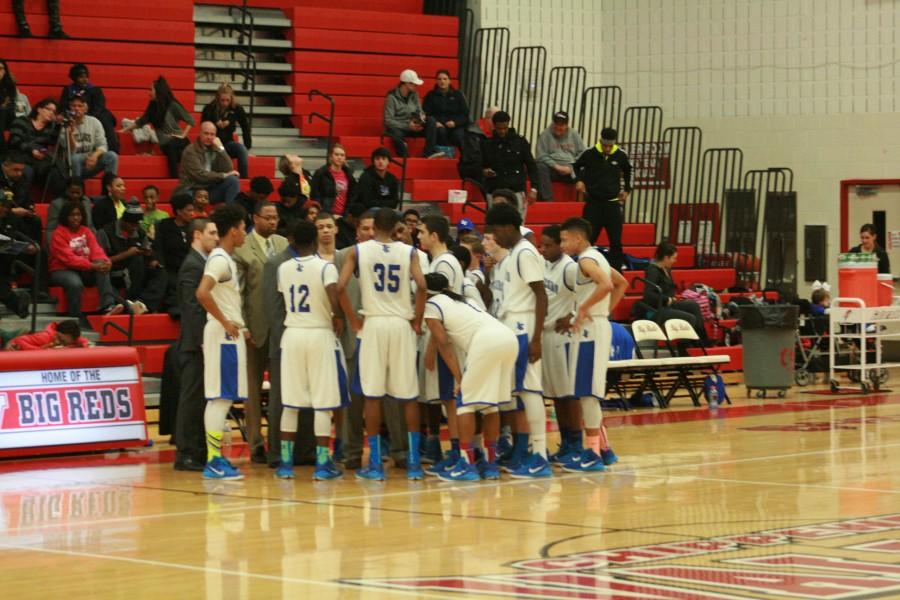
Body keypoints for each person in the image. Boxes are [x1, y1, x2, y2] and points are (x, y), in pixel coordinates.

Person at [337, 208, 427, 481]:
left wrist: (353, 319)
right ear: (398, 227)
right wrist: (417, 320)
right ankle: (413, 460)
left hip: (373, 324)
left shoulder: (358, 251)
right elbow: (422, 286)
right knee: (407, 394)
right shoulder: (408, 252)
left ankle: (375, 462)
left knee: (373, 394)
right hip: (401, 324)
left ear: (374, 226)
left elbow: (340, 287)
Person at [423, 272, 517, 481]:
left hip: (486, 342)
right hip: (507, 338)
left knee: (465, 403)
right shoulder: (460, 300)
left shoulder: (431, 305)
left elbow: (445, 344)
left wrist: (459, 378)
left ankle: (467, 463)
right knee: (490, 405)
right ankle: (490, 464)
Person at [274, 220, 349, 480]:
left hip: (292, 334)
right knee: (323, 403)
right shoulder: (325, 267)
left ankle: (285, 463)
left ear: (292, 240)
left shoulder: (283, 268)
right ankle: (322, 463)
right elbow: (333, 293)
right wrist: (337, 316)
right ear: (315, 239)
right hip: (318, 334)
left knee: (291, 403)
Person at [484, 202, 550, 478]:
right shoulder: (511, 255)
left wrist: (536, 339)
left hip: (524, 327)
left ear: (509, 228)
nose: (494, 237)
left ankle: (540, 455)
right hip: (511, 327)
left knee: (531, 391)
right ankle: (528, 451)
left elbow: (541, 294)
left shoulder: (525, 253)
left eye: (496, 231)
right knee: (521, 393)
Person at [559, 217, 627, 471]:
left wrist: (586, 308)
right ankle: (603, 450)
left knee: (587, 394)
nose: (563, 244)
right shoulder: (599, 256)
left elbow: (608, 284)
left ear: (578, 238)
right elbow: (622, 283)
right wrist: (604, 312)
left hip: (590, 330)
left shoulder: (587, 259)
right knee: (589, 393)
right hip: (597, 325)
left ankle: (592, 453)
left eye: (565, 239)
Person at [233, 201, 288, 463]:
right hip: (254, 328)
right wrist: (243, 325)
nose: (272, 222)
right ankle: (255, 443)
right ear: (255, 218)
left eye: (275, 217)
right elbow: (239, 292)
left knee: (280, 388)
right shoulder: (242, 247)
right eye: (267, 217)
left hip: (282, 329)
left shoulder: (283, 243)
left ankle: (279, 442)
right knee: (252, 390)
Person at [196, 204, 248, 480]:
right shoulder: (219, 259)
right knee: (220, 397)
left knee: (222, 397)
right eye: (242, 228)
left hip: (226, 332)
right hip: (222, 333)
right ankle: (214, 459)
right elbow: (202, 293)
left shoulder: (224, 258)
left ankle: (215, 458)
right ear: (233, 230)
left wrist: (239, 323)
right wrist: (226, 321)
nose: (245, 234)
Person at [416, 215, 465, 476]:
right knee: (447, 398)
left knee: (451, 399)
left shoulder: (444, 263)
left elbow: (442, 313)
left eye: (422, 232)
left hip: (446, 337)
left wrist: (432, 348)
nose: (418, 236)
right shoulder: (442, 261)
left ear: (434, 235)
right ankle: (455, 450)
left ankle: (458, 452)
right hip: (444, 335)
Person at [173, 218, 219, 472]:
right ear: (197, 235)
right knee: (191, 400)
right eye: (212, 233)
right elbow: (192, 309)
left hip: (200, 342)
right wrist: (204, 341)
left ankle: (198, 451)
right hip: (195, 344)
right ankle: (186, 453)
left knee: (201, 399)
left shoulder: (203, 262)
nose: (216, 237)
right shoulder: (193, 265)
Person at [538, 225, 581, 464]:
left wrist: (574, 316)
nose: (543, 249)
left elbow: (591, 293)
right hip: (546, 334)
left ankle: (576, 443)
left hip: (563, 335)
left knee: (569, 394)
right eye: (541, 245)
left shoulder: (570, 268)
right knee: (555, 395)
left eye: (549, 245)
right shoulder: (543, 265)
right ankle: (566, 443)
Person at [48, 201, 124, 323]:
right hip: (62, 269)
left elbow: (96, 250)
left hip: (85, 268)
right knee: (75, 283)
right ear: (65, 216)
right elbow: (68, 259)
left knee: (102, 266)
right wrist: (92, 266)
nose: (76, 218)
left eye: (78, 214)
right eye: (72, 215)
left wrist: (105, 261)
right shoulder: (58, 233)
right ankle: (75, 316)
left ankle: (107, 305)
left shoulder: (86, 231)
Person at [574, 127, 632, 271]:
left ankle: (616, 273)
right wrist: (579, 180)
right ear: (600, 141)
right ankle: (582, 270)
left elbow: (628, 172)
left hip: (612, 205)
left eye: (610, 146)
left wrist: (627, 190)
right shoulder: (589, 153)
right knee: (588, 240)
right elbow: (576, 166)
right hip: (593, 203)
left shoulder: (621, 155)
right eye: (605, 145)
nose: (607, 148)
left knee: (616, 241)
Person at [96, 203, 168, 315]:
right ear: (123, 221)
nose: (135, 227)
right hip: (114, 272)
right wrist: (126, 254)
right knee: (136, 259)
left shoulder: (139, 231)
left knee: (160, 273)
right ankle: (125, 304)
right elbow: (101, 263)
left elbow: (148, 250)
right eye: (132, 224)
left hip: (136, 271)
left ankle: (142, 303)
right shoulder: (105, 232)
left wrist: (151, 258)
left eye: (137, 224)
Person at [120, 77, 194, 178]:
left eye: (151, 89)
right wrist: (124, 130)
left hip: (180, 142)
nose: (149, 92)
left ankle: (174, 178)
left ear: (158, 91)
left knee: (173, 147)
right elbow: (141, 121)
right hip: (166, 145)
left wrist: (183, 135)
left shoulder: (172, 105)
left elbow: (190, 120)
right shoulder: (153, 106)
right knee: (172, 149)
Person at [637, 241, 708, 341]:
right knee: (691, 318)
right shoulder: (652, 271)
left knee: (694, 305)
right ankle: (683, 348)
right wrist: (667, 299)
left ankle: (703, 341)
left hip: (670, 305)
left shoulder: (667, 269)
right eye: (674, 258)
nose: (675, 260)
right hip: (656, 309)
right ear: (666, 257)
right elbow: (648, 295)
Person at [481, 111, 538, 213]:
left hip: (516, 188)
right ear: (494, 126)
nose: (502, 131)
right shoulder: (487, 143)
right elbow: (480, 164)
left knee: (518, 224)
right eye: (499, 128)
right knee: (495, 223)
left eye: (505, 128)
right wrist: (484, 171)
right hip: (495, 189)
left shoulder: (520, 142)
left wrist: (534, 188)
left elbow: (531, 165)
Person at [174, 122, 240, 206]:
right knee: (186, 198)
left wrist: (221, 149)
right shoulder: (190, 150)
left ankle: (231, 215)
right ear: (200, 133)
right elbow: (200, 175)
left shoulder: (215, 148)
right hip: (192, 189)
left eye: (212, 134)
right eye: (206, 133)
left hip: (210, 189)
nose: (209, 137)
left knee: (233, 181)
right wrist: (223, 175)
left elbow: (229, 168)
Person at [59, 64, 118, 154]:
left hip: (94, 114)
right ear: (74, 78)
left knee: (105, 118)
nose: (85, 79)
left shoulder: (95, 90)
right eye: (81, 77)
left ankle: (112, 149)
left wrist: (87, 116)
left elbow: (100, 106)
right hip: (74, 115)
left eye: (86, 76)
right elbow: (63, 106)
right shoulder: (68, 90)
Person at [8, 97, 61, 193]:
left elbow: (54, 143)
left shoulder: (51, 129)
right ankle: (22, 203)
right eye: (48, 109)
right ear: (39, 109)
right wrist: (31, 150)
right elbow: (15, 140)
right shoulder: (22, 121)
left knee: (56, 170)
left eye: (54, 111)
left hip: (37, 159)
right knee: (27, 171)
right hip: (19, 155)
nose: (51, 113)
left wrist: (58, 126)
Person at [383, 69, 439, 158]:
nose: (416, 86)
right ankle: (405, 157)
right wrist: (407, 126)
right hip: (400, 127)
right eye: (415, 84)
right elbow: (388, 121)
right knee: (396, 133)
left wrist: (420, 119)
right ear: (407, 84)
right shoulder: (391, 97)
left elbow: (420, 111)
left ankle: (429, 152)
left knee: (431, 120)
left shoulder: (415, 94)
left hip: (413, 125)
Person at [61, 95, 119, 180]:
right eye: (73, 106)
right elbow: (72, 151)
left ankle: (108, 187)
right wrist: (70, 134)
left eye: (80, 106)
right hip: (72, 162)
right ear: (69, 108)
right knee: (75, 158)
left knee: (112, 156)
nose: (77, 108)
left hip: (91, 157)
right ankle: (77, 188)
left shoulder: (94, 122)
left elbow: (103, 145)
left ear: (85, 108)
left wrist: (94, 156)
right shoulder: (65, 124)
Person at [155, 193, 195, 315]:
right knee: (169, 281)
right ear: (178, 211)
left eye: (193, 210)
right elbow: (159, 248)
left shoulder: (194, 227)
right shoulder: (164, 226)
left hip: (190, 268)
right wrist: (161, 265)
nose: (192, 213)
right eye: (189, 210)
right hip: (170, 268)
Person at [201, 84, 252, 178]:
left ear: (231, 99)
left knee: (241, 149)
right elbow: (203, 126)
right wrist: (215, 122)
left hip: (227, 143)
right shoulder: (209, 108)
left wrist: (247, 146)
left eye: (227, 100)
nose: (225, 103)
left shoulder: (237, 109)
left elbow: (245, 127)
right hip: (211, 143)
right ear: (217, 98)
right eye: (222, 100)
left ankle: (244, 179)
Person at [535, 111, 586, 202]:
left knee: (588, 168)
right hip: (553, 169)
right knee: (540, 167)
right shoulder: (545, 134)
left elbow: (583, 154)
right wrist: (556, 166)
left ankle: (585, 201)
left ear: (566, 125)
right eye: (556, 124)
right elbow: (540, 155)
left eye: (561, 125)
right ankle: (548, 201)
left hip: (571, 171)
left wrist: (571, 167)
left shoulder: (574, 134)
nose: (558, 127)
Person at [0, 193, 34, 319]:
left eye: (7, 206)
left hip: (6, 261)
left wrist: (28, 247)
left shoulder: (11, 219)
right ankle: (17, 303)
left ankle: (19, 302)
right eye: (2, 206)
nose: (5, 209)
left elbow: (21, 237)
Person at [0, 152, 42, 243]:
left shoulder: (23, 178)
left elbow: (28, 198)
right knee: (13, 220)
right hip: (3, 215)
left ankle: (35, 249)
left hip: (20, 214)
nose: (19, 173)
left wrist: (30, 208)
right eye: (15, 170)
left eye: (21, 170)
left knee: (35, 221)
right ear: (5, 166)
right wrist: (11, 211)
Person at [422, 70, 469, 151]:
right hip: (438, 125)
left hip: (455, 126)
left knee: (459, 135)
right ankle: (441, 153)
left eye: (445, 79)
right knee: (440, 132)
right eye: (439, 79)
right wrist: (435, 122)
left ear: (449, 81)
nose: (442, 81)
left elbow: (465, 115)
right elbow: (426, 113)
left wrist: (455, 122)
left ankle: (465, 158)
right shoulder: (430, 95)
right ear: (436, 81)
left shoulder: (458, 95)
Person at [311, 144, 355, 217]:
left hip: (344, 215)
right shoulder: (321, 173)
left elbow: (352, 196)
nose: (339, 157)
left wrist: (347, 212)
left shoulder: (349, 175)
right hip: (326, 213)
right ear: (331, 157)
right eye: (336, 154)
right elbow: (315, 195)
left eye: (342, 155)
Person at [46, 178, 93, 244]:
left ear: (82, 192)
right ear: (66, 191)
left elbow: (90, 226)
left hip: (85, 240)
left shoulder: (86, 202)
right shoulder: (57, 204)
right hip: (64, 241)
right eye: (72, 192)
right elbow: (50, 230)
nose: (75, 195)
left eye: (78, 193)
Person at [459, 105, 499, 182]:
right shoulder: (473, 133)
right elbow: (472, 158)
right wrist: (482, 171)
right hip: (474, 171)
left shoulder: (497, 133)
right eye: (496, 119)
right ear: (488, 118)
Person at [6, 320, 87, 350]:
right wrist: (41, 350)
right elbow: (19, 340)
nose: (63, 344)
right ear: (57, 334)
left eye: (67, 343)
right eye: (62, 341)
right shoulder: (45, 337)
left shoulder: (71, 337)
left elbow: (85, 342)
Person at [0, 60, 19, 154]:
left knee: (3, 111)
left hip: (6, 115)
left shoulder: (9, 85)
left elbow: (9, 103)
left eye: (1, 69)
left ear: (5, 71)